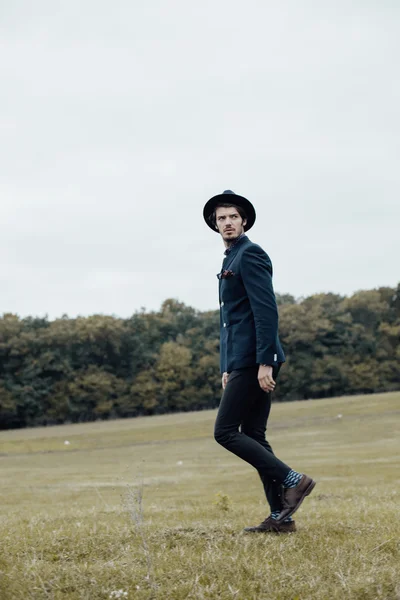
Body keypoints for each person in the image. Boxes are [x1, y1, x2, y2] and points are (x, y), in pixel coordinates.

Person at [203, 189, 316, 533]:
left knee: (224, 432)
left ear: (244, 220)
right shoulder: (229, 260)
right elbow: (230, 320)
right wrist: (226, 365)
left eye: (233, 217)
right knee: (253, 433)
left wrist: (265, 360)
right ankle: (282, 517)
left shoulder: (250, 255)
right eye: (221, 218)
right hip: (241, 359)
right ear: (215, 224)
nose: (227, 223)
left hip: (256, 359)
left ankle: (294, 479)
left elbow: (265, 311)